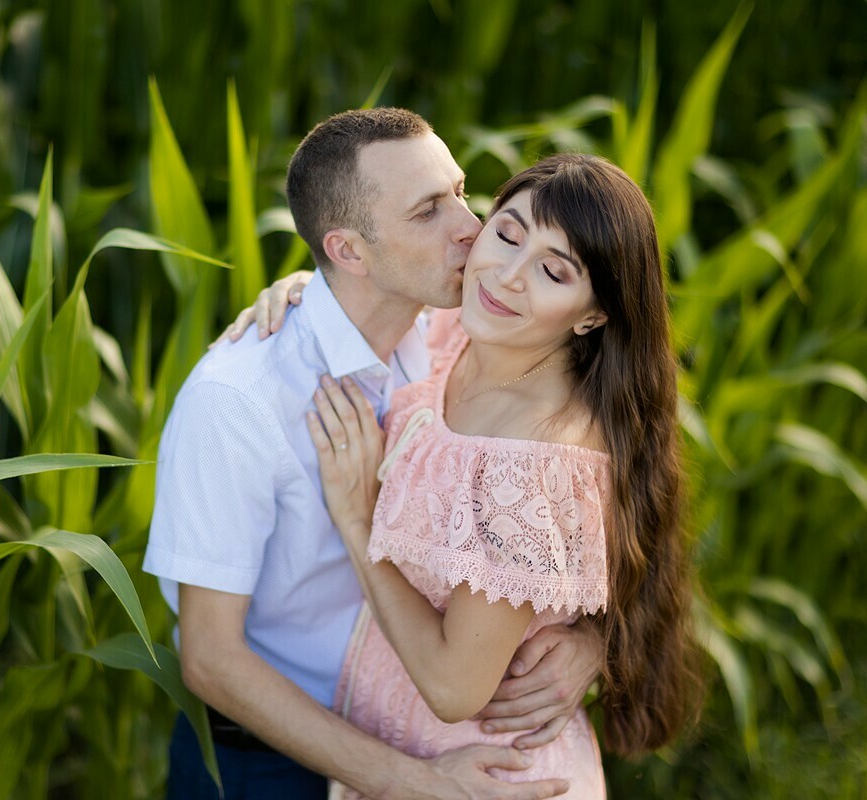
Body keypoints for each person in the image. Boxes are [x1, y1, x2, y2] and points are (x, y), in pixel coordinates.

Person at [143, 109, 602, 800]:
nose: (471, 228)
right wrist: (412, 784)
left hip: (424, 732)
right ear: (349, 252)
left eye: (461, 192)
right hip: (273, 760)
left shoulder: (460, 338)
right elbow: (210, 659)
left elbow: (591, 504)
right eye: (427, 211)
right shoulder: (239, 401)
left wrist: (593, 641)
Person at [296, 153, 703, 798]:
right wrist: (299, 294)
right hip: (403, 761)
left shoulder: (530, 466)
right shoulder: (460, 332)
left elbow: (454, 688)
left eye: (553, 271)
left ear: (593, 314)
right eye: (508, 234)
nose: (508, 276)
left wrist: (356, 518)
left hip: (487, 776)